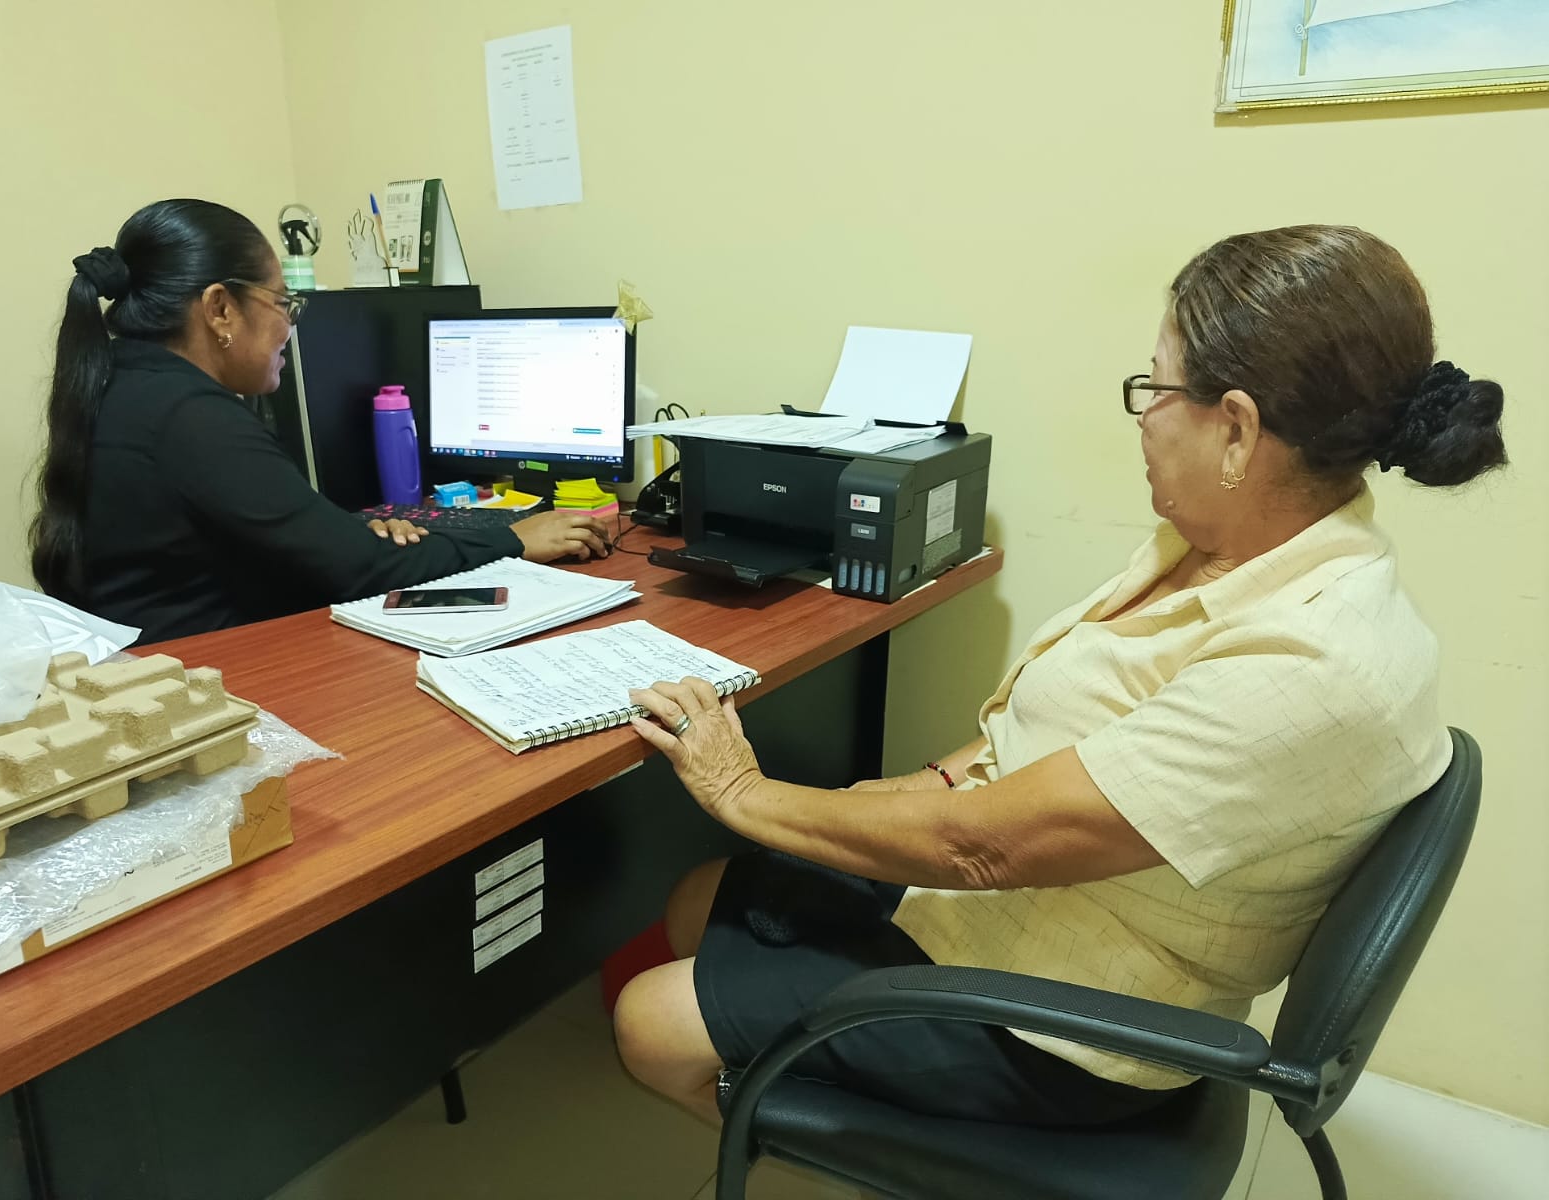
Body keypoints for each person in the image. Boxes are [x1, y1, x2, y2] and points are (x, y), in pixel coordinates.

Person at [612, 225, 1507, 1128]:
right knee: (700, 900)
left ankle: (851, 1149)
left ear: (1237, 428)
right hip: (1017, 906)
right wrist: (918, 785)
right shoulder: (1218, 548)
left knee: (651, 1024)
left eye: (1155, 387)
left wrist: (744, 792)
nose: (1143, 415)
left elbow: (983, 849)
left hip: (1074, 1020)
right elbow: (1050, 727)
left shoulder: (1313, 663)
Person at [29, 199, 610, 643]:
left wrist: (347, 533)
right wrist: (513, 539)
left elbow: (257, 541)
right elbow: (358, 571)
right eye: (283, 303)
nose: (290, 326)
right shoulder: (189, 415)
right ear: (220, 308)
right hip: (214, 680)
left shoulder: (123, 383)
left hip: (162, 665)